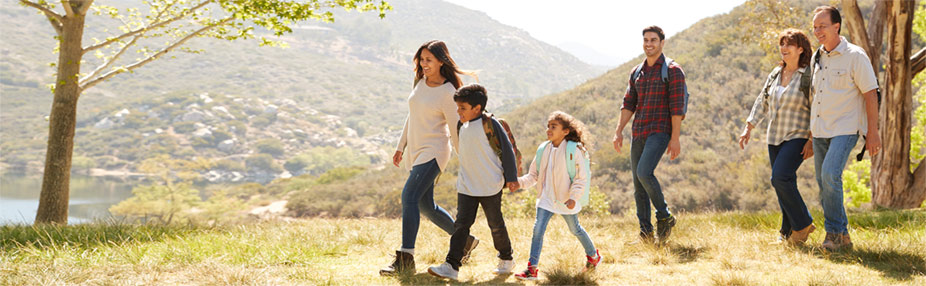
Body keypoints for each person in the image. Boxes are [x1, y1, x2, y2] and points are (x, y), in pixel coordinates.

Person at [381, 40, 479, 275]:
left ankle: (405, 258)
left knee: (409, 196)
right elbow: (412, 114)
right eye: (421, 60)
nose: (424, 64)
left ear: (441, 61)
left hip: (434, 151)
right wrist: (400, 146)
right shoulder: (420, 82)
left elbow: (455, 129)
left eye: (428, 60)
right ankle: (465, 241)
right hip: (415, 149)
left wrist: (465, 159)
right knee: (427, 206)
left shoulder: (448, 92)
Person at [427, 84, 519, 281]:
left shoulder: (491, 124)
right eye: (458, 107)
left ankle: (506, 257)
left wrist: (511, 178)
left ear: (477, 108)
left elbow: (508, 152)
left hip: (489, 185)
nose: (458, 112)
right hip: (467, 186)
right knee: (461, 226)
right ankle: (451, 265)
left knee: (495, 224)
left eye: (463, 108)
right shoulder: (462, 125)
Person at [809, 6, 881, 251]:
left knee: (830, 175)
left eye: (822, 26)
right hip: (820, 130)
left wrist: (873, 133)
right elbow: (816, 97)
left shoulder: (855, 55)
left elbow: (871, 94)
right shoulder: (817, 57)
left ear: (836, 26)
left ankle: (834, 234)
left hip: (846, 128)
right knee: (823, 182)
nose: (818, 31)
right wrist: (810, 133)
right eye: (815, 27)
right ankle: (843, 237)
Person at [739, 29, 816, 245]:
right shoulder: (775, 74)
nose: (783, 49)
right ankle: (786, 231)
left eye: (789, 44)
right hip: (774, 136)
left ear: (801, 49)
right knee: (784, 182)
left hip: (798, 135)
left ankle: (803, 224)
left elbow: (817, 108)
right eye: (781, 44)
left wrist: (811, 139)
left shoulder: (808, 75)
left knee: (779, 177)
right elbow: (761, 101)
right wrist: (749, 127)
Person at [612, 25, 688, 244]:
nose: (649, 44)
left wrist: (675, 138)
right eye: (646, 40)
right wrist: (618, 131)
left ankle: (664, 216)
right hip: (639, 131)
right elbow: (628, 103)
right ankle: (645, 233)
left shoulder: (673, 70)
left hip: (660, 131)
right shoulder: (637, 72)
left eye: (653, 40)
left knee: (644, 172)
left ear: (662, 43)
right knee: (638, 185)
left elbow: (677, 108)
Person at [514, 111, 601, 281]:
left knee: (575, 229)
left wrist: (573, 197)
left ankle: (593, 256)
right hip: (546, 199)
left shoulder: (574, 150)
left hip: (566, 200)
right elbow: (534, 175)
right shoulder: (543, 149)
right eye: (548, 126)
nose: (549, 130)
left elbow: (580, 178)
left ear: (565, 131)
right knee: (538, 230)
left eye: (554, 126)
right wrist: (519, 183)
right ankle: (532, 269)